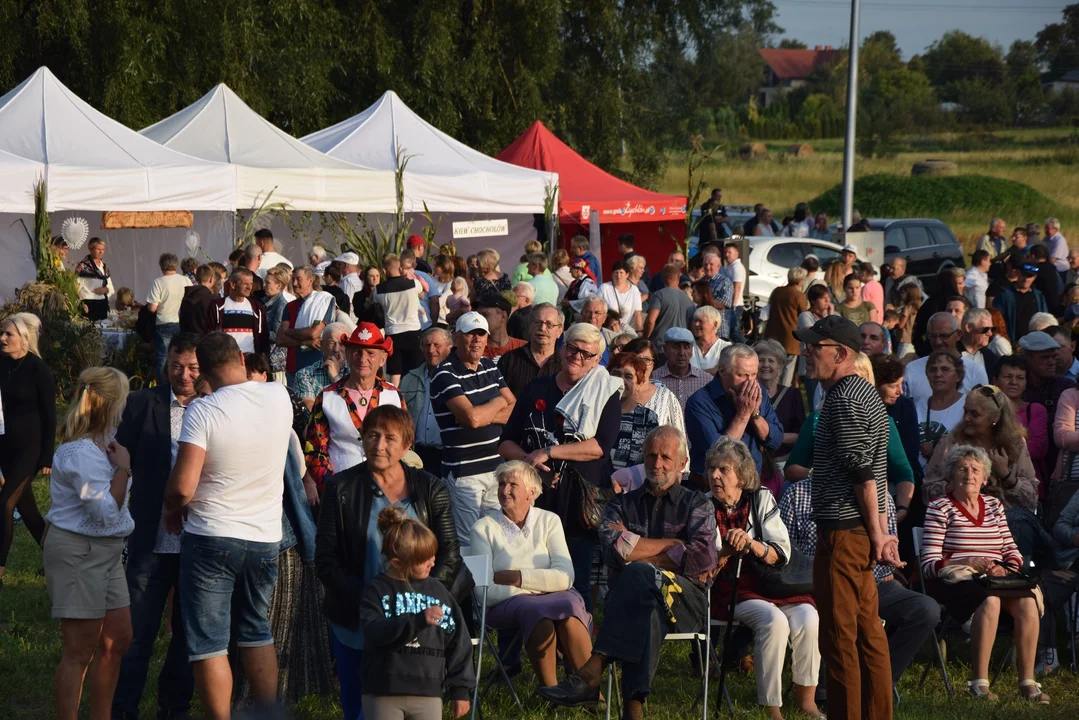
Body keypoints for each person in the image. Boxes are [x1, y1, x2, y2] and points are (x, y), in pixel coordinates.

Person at [536, 427, 717, 719]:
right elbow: (613, 549)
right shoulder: (621, 503)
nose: (657, 463)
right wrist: (674, 546)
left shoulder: (697, 504)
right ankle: (633, 710)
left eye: (665, 457)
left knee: (638, 574)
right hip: (633, 602)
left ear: (683, 463)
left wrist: (638, 553)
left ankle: (593, 669)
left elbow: (700, 561)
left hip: (686, 601)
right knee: (644, 607)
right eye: (651, 455)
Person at [162, 332, 294, 720]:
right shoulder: (278, 396)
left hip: (211, 536)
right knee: (256, 630)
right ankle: (267, 713)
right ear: (240, 355)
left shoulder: (202, 411)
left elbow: (183, 486)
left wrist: (171, 509)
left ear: (202, 369)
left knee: (209, 643)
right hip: (265, 536)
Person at [315, 405, 466, 720]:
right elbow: (326, 561)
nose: (378, 445)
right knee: (359, 710)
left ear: (407, 445)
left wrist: (422, 600)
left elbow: (450, 553)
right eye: (372, 435)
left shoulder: (430, 488)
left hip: (417, 624)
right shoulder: (340, 488)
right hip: (357, 620)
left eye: (389, 438)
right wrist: (372, 603)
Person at [793, 314, 899, 719]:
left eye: (813, 347)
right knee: (868, 631)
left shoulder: (845, 398)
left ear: (839, 354)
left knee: (839, 639)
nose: (805, 352)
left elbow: (862, 472)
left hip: (844, 533)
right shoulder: (859, 392)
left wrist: (878, 533)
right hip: (855, 531)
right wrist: (879, 532)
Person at [782, 434, 937, 693]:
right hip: (817, 584)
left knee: (926, 610)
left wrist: (889, 556)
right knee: (838, 605)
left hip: (872, 583)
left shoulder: (881, 498)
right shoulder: (797, 494)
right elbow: (786, 555)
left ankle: (880, 681)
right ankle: (827, 687)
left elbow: (886, 554)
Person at [498, 322, 622, 611]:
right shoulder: (537, 387)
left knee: (575, 579)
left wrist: (548, 451)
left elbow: (600, 445)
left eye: (586, 354)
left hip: (579, 503)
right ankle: (526, 646)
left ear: (596, 360)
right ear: (562, 347)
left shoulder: (606, 393)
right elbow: (505, 443)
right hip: (535, 500)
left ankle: (575, 650)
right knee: (530, 577)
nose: (577, 357)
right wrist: (529, 461)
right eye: (572, 348)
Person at [111, 334, 198, 720]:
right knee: (137, 633)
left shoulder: (217, 407)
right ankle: (123, 707)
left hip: (199, 541)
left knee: (187, 636)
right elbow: (118, 454)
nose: (184, 375)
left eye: (193, 367)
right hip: (150, 537)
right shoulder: (142, 402)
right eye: (177, 366)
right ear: (167, 365)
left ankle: (174, 707)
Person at [920, 444, 1048, 703]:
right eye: (962, 469)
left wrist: (1006, 566)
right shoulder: (939, 508)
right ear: (951, 475)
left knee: (1027, 602)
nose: (969, 474)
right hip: (956, 580)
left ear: (985, 477)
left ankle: (1027, 682)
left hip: (995, 578)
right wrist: (965, 559)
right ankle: (979, 683)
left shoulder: (993, 506)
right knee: (988, 601)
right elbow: (928, 564)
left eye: (975, 469)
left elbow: (1012, 551)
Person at [708, 437, 823, 720]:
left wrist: (752, 544)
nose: (714, 475)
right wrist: (727, 550)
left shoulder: (760, 497)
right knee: (774, 622)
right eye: (712, 468)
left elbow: (781, 550)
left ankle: (806, 700)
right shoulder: (703, 506)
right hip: (732, 588)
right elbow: (704, 564)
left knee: (809, 617)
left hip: (771, 582)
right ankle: (772, 707)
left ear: (741, 476)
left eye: (724, 469)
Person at [44, 366, 134, 720]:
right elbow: (105, 513)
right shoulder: (81, 451)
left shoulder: (106, 440)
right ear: (109, 404)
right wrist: (124, 470)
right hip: (79, 550)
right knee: (79, 650)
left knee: (117, 639)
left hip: (107, 551)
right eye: (122, 399)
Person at [469, 461, 593, 688]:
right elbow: (483, 592)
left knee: (570, 607)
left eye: (512, 484)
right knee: (537, 609)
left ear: (531, 492)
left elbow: (566, 577)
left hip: (553, 597)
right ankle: (551, 690)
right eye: (502, 484)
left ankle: (589, 690)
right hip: (505, 606)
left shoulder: (550, 521)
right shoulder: (480, 529)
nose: (504, 490)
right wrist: (545, 582)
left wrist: (517, 577)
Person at [358, 505, 473, 720]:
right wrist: (417, 620)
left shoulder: (439, 592)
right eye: (424, 559)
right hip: (383, 690)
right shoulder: (377, 590)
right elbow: (374, 631)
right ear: (397, 562)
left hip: (428, 693)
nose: (433, 562)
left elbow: (459, 641)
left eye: (432, 555)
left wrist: (460, 689)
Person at [431, 311, 515, 548]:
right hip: (464, 473)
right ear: (456, 337)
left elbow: (513, 409)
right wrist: (499, 402)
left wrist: (483, 411)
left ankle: (492, 586)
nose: (476, 340)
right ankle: (471, 587)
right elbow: (472, 419)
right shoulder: (444, 374)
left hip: (496, 469)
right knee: (469, 543)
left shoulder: (489, 366)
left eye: (481, 334)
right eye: (470, 334)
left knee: (496, 539)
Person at [305, 322, 405, 495]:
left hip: (387, 493)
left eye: (370, 353)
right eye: (357, 351)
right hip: (341, 492)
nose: (362, 358)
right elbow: (315, 451)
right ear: (349, 355)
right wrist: (333, 489)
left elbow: (405, 446)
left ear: (382, 359)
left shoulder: (394, 395)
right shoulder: (328, 396)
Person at [922, 384, 1038, 512]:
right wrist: (957, 483)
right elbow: (928, 491)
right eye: (965, 411)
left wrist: (1006, 475)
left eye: (975, 414)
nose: (966, 418)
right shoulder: (950, 442)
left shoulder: (1015, 444)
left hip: (1007, 523)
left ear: (995, 417)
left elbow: (1031, 498)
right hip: (959, 521)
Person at [0, 313, 54, 586]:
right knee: (29, 512)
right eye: (2, 333)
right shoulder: (2, 364)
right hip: (6, 446)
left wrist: (47, 455)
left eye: (8, 334)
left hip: (31, 449)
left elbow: (50, 414)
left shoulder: (37, 368)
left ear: (24, 338)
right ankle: (57, 559)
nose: (2, 338)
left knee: (5, 503)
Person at [685, 344, 783, 488]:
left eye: (754, 375)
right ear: (723, 370)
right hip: (711, 489)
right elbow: (718, 455)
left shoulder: (758, 390)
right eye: (742, 375)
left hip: (750, 486)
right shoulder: (699, 402)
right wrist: (743, 415)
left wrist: (754, 415)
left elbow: (776, 440)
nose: (750, 382)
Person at [1020, 330, 1076, 475]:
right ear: (1027, 358)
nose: (1052, 362)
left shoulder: (1066, 387)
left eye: (1053, 356)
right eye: (1045, 358)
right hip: (1025, 468)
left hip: (1059, 469)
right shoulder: (1018, 389)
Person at [401, 327, 454, 477]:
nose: (431, 350)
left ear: (449, 348)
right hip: (416, 455)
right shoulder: (409, 379)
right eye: (427, 345)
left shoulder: (459, 378)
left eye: (437, 345)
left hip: (447, 455)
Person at [903, 312, 988, 405]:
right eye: (933, 336)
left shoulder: (975, 371)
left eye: (944, 336)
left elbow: (983, 410)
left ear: (959, 335)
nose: (938, 342)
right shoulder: (912, 369)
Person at [995, 355, 1050, 489]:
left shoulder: (1036, 411)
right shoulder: (985, 411)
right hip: (992, 489)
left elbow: (1038, 448)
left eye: (1020, 378)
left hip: (1028, 488)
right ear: (994, 381)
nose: (1014, 382)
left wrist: (997, 449)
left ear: (1026, 383)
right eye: (1008, 377)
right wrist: (1021, 441)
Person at [279, 265, 337, 388]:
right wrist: (305, 342)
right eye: (293, 279)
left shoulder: (323, 301)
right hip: (293, 368)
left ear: (310, 280)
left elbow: (314, 333)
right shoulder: (289, 307)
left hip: (316, 367)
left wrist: (289, 332)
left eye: (298, 279)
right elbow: (280, 339)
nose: (294, 283)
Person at [372, 253, 425, 384]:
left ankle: (394, 400)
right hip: (413, 331)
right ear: (400, 267)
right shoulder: (414, 284)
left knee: (394, 373)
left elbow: (372, 305)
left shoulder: (378, 290)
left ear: (384, 270)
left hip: (393, 334)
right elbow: (422, 295)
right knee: (416, 370)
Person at [497, 302, 564, 398]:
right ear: (529, 326)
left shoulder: (565, 364)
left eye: (549, 324)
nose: (542, 328)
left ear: (559, 331)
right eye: (537, 322)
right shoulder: (509, 360)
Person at [608, 353, 660, 471]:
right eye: (616, 374)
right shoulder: (596, 411)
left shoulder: (648, 418)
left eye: (628, 376)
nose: (621, 381)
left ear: (638, 384)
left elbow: (651, 458)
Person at [145, 253, 193, 380]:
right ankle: (180, 381)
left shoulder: (159, 282)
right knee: (181, 356)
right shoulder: (186, 280)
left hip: (164, 322)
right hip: (182, 321)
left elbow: (152, 308)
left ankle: (163, 385)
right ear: (176, 265)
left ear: (161, 266)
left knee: (163, 357)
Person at [754, 339, 804, 457]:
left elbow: (801, 435)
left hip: (782, 461)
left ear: (780, 368)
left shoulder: (793, 395)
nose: (765, 365)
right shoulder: (747, 394)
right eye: (761, 360)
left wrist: (771, 437)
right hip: (753, 460)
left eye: (771, 361)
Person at [207, 267, 270, 357]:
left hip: (250, 361)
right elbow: (210, 335)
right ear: (233, 284)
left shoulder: (257, 307)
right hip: (226, 360)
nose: (249, 287)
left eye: (251, 284)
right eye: (245, 284)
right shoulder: (217, 306)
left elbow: (263, 336)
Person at [762, 268, 808, 386]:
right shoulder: (799, 296)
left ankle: (771, 392)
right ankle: (783, 394)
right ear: (800, 281)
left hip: (774, 335)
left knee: (775, 367)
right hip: (790, 338)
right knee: (788, 369)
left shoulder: (777, 291)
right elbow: (804, 314)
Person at [650, 328, 709, 411]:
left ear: (692, 351)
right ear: (665, 350)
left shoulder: (706, 381)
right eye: (675, 347)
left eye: (686, 347)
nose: (681, 353)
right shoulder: (653, 379)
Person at [643, 263, 696, 353]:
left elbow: (650, 321)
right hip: (681, 350)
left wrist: (645, 338)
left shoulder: (659, 295)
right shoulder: (689, 301)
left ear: (662, 278)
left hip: (661, 348)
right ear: (678, 277)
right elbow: (692, 327)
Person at [994, 259, 1046, 345]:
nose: (1026, 279)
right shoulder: (1005, 295)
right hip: (1011, 344)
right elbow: (997, 320)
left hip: (1034, 344)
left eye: (1030, 276)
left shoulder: (1039, 296)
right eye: (1024, 275)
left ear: (1035, 277)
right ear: (1017, 273)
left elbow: (1044, 321)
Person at [475, 293, 526, 362]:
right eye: (478, 315)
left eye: (485, 315)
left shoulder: (523, 348)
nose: (479, 319)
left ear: (503, 316)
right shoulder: (475, 348)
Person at [75, 237, 116, 321]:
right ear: (91, 249)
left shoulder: (103, 266)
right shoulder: (83, 266)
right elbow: (75, 287)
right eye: (98, 249)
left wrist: (105, 290)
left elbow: (110, 286)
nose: (101, 252)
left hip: (102, 304)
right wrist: (80, 303)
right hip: (88, 304)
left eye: (103, 249)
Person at [600, 260, 644, 333]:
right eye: (616, 272)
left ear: (627, 275)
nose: (618, 275)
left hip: (624, 329)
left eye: (621, 273)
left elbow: (637, 314)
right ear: (612, 274)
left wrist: (639, 331)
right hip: (607, 329)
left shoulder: (634, 290)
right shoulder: (604, 288)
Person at [959, 307, 1000, 379]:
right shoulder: (951, 354)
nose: (990, 334)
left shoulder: (990, 356)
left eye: (992, 329)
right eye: (985, 329)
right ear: (969, 327)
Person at [690, 304, 732, 374]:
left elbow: (723, 372)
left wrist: (692, 374)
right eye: (695, 320)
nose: (696, 324)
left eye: (701, 321)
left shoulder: (725, 348)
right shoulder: (688, 347)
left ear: (715, 324)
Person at [178, 264, 217, 336]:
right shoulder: (214, 300)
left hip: (188, 341)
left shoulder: (187, 297)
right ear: (211, 279)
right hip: (207, 341)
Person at [722, 243, 747, 311]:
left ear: (736, 253)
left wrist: (733, 305)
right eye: (725, 252)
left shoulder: (736, 267)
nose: (726, 255)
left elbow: (737, 287)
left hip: (735, 305)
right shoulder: (731, 266)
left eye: (729, 252)